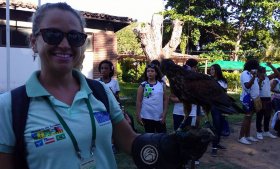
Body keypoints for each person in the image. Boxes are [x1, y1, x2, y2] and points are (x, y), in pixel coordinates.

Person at [0, 3, 213, 169]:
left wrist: (171, 146)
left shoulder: (100, 92)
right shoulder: (9, 107)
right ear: (34, 42)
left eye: (75, 37)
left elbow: (129, 141)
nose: (64, 44)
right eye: (53, 35)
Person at [136, 64, 169, 133]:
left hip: (159, 116)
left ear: (156, 73)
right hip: (146, 116)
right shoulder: (143, 85)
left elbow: (165, 100)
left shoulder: (162, 84)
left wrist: (164, 113)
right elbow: (139, 101)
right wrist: (138, 115)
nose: (150, 73)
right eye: (148, 71)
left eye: (152, 71)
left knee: (162, 137)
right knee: (149, 137)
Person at [239, 59, 260, 145]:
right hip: (247, 99)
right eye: (256, 67)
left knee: (250, 118)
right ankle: (241, 137)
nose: (256, 69)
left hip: (253, 99)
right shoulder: (245, 73)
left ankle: (247, 136)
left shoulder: (250, 74)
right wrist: (254, 77)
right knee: (247, 118)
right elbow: (247, 86)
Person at [209, 64, 228, 156]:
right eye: (210, 69)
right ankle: (214, 148)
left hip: (222, 106)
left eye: (213, 69)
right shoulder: (209, 80)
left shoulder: (223, 81)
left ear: (217, 70)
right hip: (214, 106)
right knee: (216, 126)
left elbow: (225, 94)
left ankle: (217, 143)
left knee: (220, 126)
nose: (211, 71)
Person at [255, 64, 279, 140]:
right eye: (262, 72)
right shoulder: (255, 79)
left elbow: (277, 73)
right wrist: (260, 80)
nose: (264, 73)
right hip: (260, 99)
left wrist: (271, 65)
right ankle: (259, 132)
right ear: (258, 72)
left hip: (268, 99)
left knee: (267, 116)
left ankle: (266, 131)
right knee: (259, 116)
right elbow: (257, 89)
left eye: (265, 72)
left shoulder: (267, 78)